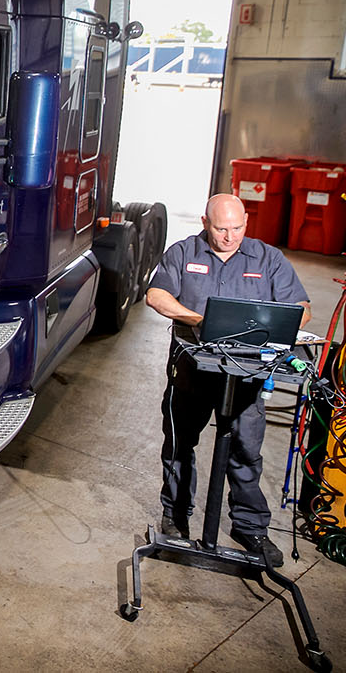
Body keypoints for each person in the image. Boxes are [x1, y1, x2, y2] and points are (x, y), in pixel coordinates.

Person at [144, 193, 311, 567]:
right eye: (221, 228)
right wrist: (201, 321)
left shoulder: (268, 258)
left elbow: (302, 309)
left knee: (246, 452)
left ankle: (249, 527)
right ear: (205, 222)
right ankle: (175, 516)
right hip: (192, 369)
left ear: (246, 222)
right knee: (179, 444)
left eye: (237, 228)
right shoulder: (185, 253)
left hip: (247, 375)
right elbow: (156, 295)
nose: (230, 236)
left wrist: (277, 327)